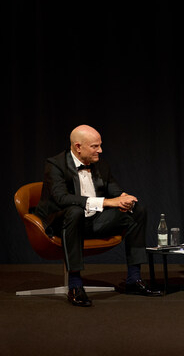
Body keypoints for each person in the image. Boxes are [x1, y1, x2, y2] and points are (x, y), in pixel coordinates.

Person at [35, 125, 161, 306]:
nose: (100, 150)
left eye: (100, 145)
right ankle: (75, 285)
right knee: (75, 211)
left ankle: (134, 279)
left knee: (137, 210)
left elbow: (115, 191)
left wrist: (124, 199)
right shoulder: (55, 164)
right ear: (78, 147)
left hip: (94, 221)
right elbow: (62, 198)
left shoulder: (100, 164)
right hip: (64, 224)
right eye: (95, 146)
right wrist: (107, 202)